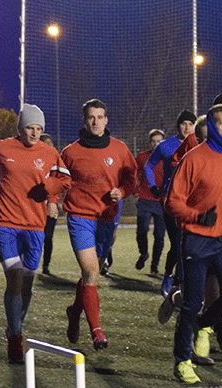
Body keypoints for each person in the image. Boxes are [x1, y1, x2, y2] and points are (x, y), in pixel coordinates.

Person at [0, 104, 66, 364]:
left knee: (26, 285)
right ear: (20, 128)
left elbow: (64, 177)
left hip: (35, 226)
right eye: (29, 128)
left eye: (38, 129)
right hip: (5, 223)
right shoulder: (3, 148)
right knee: (13, 279)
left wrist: (50, 191)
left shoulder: (49, 153)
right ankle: (15, 337)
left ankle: (15, 325)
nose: (34, 133)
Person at [166, 103, 222, 385]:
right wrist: (197, 216)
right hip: (197, 241)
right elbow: (172, 202)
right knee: (191, 304)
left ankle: (204, 325)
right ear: (212, 127)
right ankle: (182, 361)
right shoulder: (192, 159)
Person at [53, 98, 137, 350]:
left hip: (106, 219)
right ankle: (97, 332)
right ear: (85, 120)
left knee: (92, 275)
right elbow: (57, 181)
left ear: (106, 120)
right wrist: (51, 199)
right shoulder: (70, 152)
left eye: (100, 117)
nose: (96, 121)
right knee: (91, 272)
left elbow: (133, 181)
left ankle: (74, 311)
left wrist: (121, 191)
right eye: (91, 117)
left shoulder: (120, 149)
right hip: (80, 218)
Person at [145, 109, 197, 295]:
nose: (187, 127)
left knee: (189, 243)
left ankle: (181, 281)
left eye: (191, 124)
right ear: (178, 125)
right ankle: (168, 275)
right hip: (169, 200)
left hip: (191, 201)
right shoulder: (166, 145)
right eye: (184, 123)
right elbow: (149, 166)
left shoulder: (200, 146)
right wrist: (153, 187)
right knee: (177, 243)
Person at [134, 128, 166, 275]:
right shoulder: (141, 157)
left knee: (159, 235)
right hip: (145, 200)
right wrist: (135, 189)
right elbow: (134, 174)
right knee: (142, 230)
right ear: (149, 143)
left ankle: (154, 265)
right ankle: (144, 253)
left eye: (159, 141)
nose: (155, 144)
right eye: (153, 141)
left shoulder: (169, 158)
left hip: (161, 202)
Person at [38, 133, 62, 276]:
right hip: (35, 206)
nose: (50, 147)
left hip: (51, 206)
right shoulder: (34, 162)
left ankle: (46, 265)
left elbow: (58, 183)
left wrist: (53, 201)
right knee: (34, 236)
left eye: (51, 144)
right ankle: (29, 262)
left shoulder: (56, 163)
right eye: (47, 144)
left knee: (48, 237)